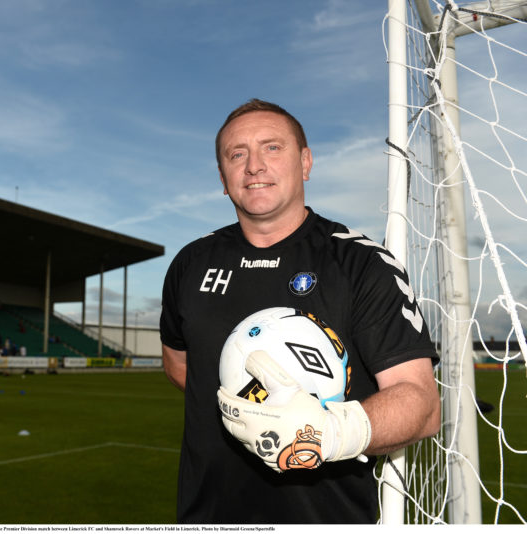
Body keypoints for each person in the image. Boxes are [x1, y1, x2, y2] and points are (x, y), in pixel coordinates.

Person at [159, 99, 441, 524]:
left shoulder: (361, 263)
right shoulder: (190, 263)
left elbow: (422, 403)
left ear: (305, 162)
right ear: (223, 178)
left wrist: (324, 432)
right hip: (204, 516)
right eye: (237, 154)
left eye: (272, 148)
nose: (254, 166)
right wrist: (251, 403)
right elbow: (180, 366)